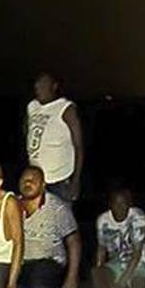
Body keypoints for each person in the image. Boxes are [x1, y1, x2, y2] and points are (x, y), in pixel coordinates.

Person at [17, 166, 81, 288]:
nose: (28, 183)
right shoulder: (12, 205)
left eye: (33, 180)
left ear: (43, 184)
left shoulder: (57, 207)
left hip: (49, 263)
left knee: (39, 282)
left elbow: (74, 241)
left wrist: (72, 278)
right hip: (20, 263)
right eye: (25, 180)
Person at [25, 72, 84, 202]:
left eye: (43, 84)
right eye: (37, 83)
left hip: (59, 180)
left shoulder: (66, 109)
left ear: (54, 86)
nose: (38, 86)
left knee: (59, 220)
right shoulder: (32, 106)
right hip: (35, 177)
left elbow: (79, 146)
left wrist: (76, 181)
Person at [94, 185, 145, 288]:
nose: (120, 207)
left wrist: (121, 282)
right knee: (97, 274)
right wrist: (100, 270)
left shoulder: (137, 216)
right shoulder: (102, 220)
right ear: (110, 204)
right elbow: (101, 248)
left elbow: (137, 253)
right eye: (116, 203)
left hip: (138, 264)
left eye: (123, 203)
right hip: (116, 263)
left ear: (129, 204)